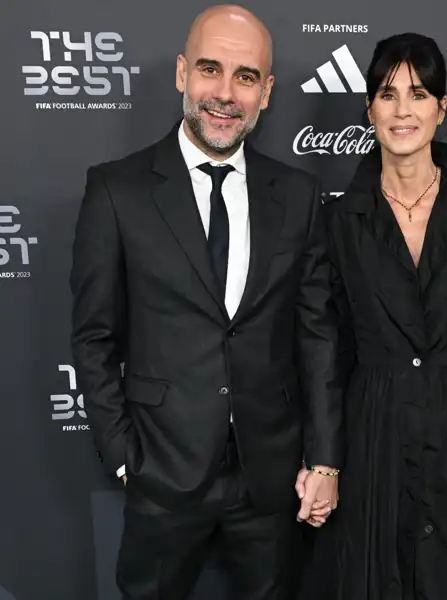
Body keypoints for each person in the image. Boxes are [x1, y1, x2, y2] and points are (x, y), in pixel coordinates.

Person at [70, 5, 342, 599]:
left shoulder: (297, 195)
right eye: (209, 69)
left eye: (245, 77)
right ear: (180, 74)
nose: (224, 93)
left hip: (273, 480)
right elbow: (94, 336)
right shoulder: (117, 190)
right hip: (162, 472)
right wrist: (125, 458)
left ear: (266, 92)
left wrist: (323, 461)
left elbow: (315, 335)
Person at [302, 33, 447, 600]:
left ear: (441, 107)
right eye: (387, 94)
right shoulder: (339, 220)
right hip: (376, 432)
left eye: (419, 93)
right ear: (368, 107)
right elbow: (327, 351)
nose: (403, 110)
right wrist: (327, 463)